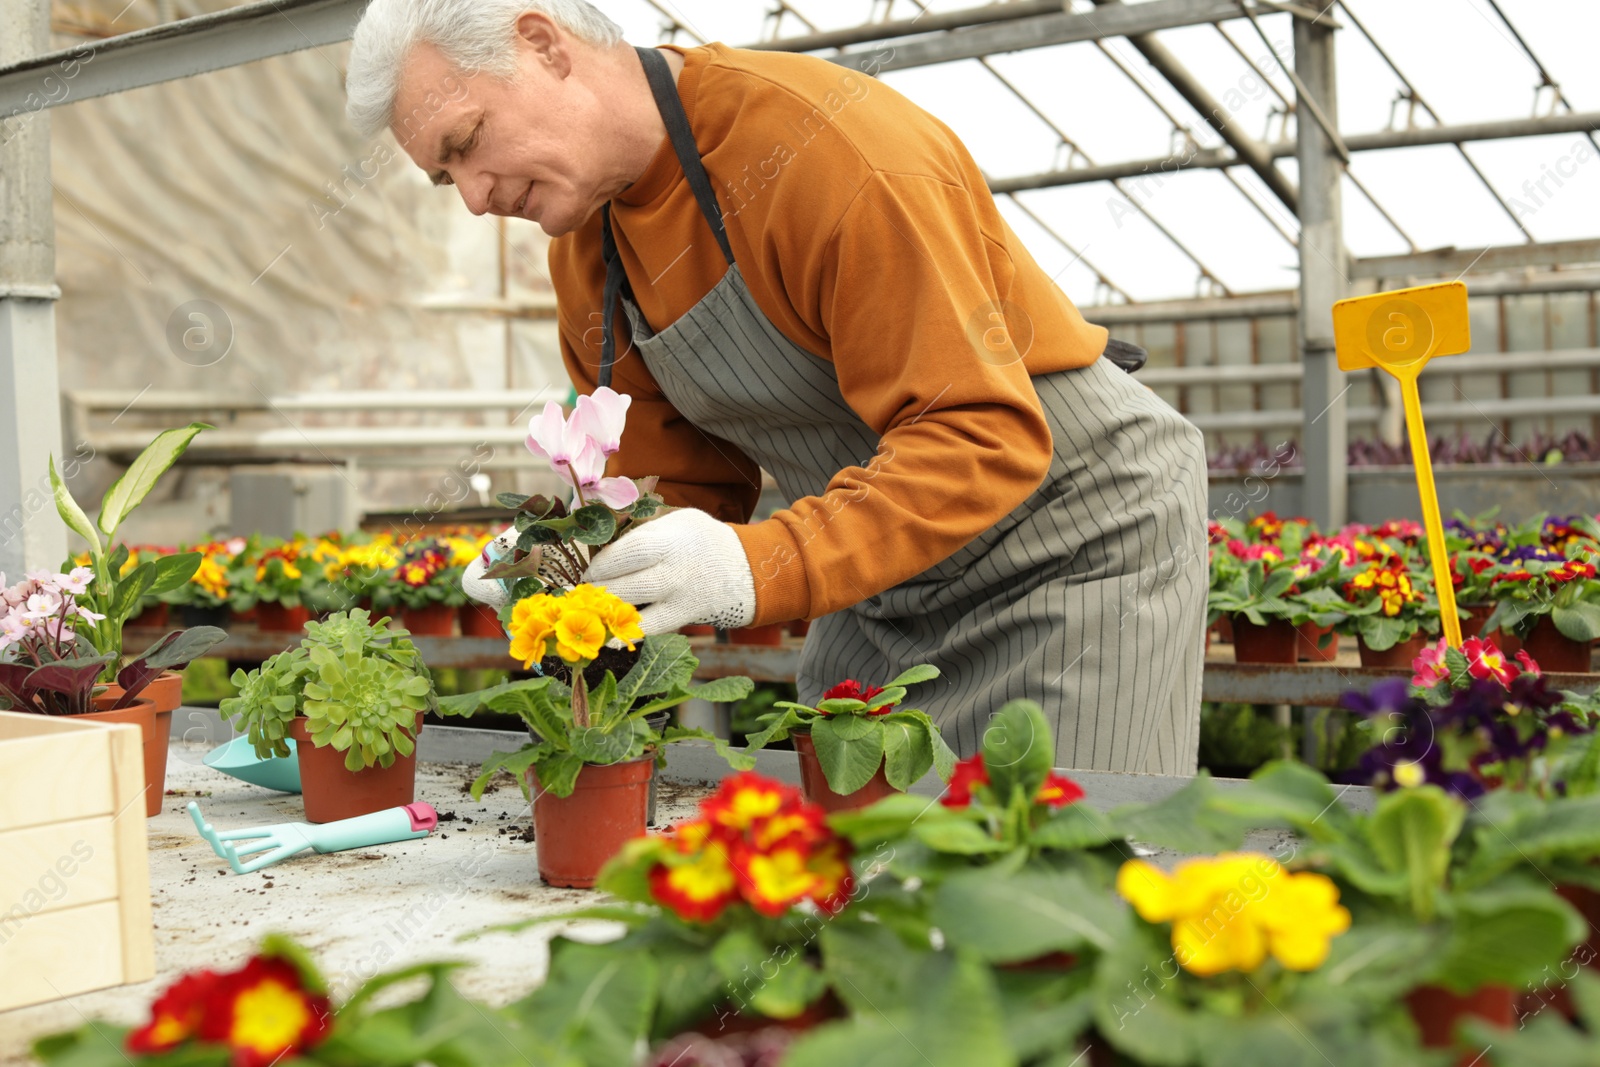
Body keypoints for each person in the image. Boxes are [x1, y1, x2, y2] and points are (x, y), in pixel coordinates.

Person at [344, 0, 1209, 772]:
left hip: (1069, 548)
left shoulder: (820, 151)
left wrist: (755, 564)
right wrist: (570, 557)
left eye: (466, 144)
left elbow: (980, 432)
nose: (473, 198)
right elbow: (676, 487)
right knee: (854, 895)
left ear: (543, 43)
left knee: (1057, 890)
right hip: (880, 580)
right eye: (444, 176)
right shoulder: (588, 254)